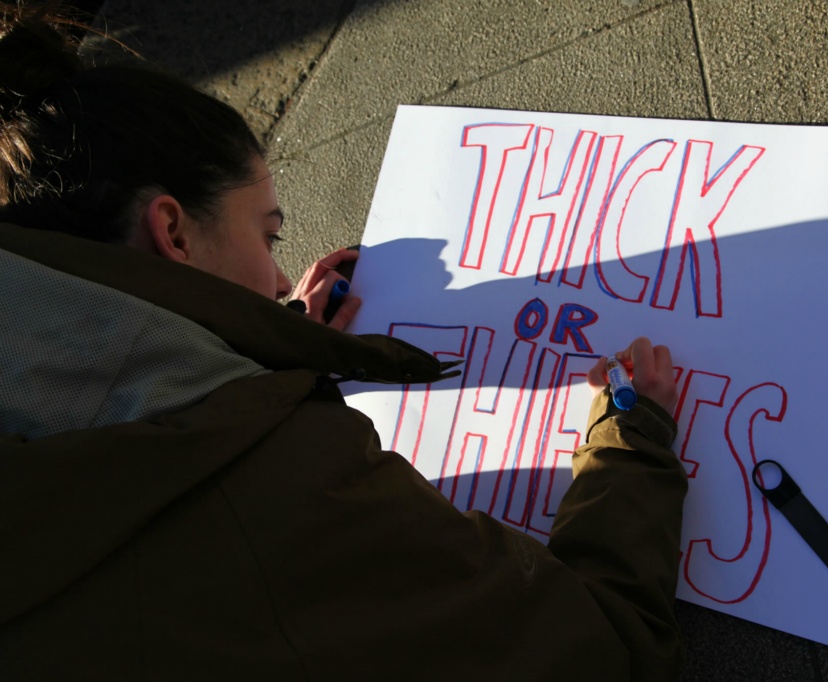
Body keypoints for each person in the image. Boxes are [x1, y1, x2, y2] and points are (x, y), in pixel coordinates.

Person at [0, 4, 687, 680]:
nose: (275, 281)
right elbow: (602, 647)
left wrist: (256, 343)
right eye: (267, 235)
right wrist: (633, 438)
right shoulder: (294, 484)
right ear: (173, 233)